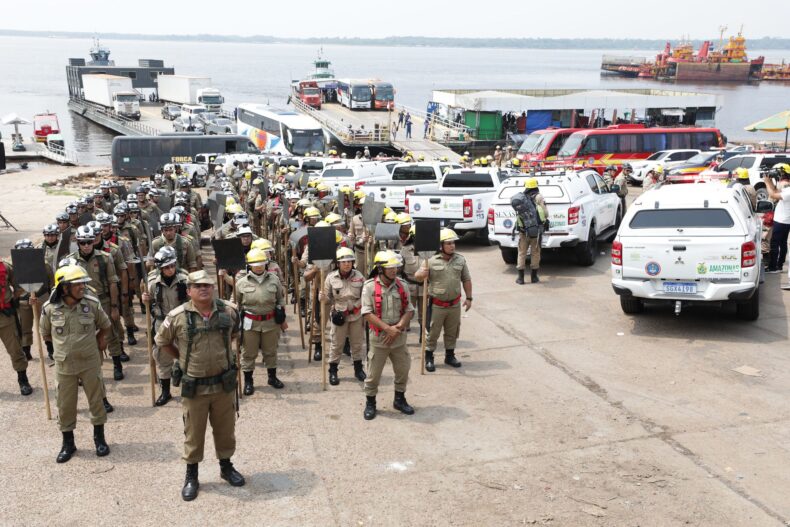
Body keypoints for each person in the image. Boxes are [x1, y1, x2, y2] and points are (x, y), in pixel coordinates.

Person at [154, 270, 245, 501]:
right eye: (198, 286)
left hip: (223, 384)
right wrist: (181, 359)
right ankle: (192, 475)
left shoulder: (228, 311)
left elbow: (234, 335)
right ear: (189, 291)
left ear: (213, 288)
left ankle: (226, 467)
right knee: (193, 433)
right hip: (194, 387)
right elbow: (162, 341)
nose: (203, 289)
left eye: (207, 285)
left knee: (225, 430)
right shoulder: (177, 316)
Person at [40, 264, 112, 463]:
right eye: (78, 283)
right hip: (64, 366)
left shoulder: (91, 303)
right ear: (64, 287)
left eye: (83, 283)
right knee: (65, 405)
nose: (83, 287)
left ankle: (99, 439)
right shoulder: (49, 309)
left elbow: (106, 325)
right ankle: (68, 444)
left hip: (90, 363)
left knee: (96, 401)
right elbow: (45, 333)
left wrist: (102, 339)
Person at [361, 251, 415, 420]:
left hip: (399, 338)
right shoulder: (369, 286)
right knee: (373, 374)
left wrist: (398, 327)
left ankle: (399, 399)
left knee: (403, 370)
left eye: (395, 267)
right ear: (380, 268)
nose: (394, 270)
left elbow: (409, 310)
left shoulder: (402, 285)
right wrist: (387, 329)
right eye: (389, 267)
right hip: (379, 340)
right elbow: (367, 313)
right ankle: (370, 403)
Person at [68, 225, 125, 380]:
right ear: (77, 242)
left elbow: (113, 283)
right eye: (82, 242)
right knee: (84, 335)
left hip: (103, 301)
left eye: (89, 241)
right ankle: (90, 371)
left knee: (111, 333)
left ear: (94, 241)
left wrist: (114, 307)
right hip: (81, 303)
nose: (86, 245)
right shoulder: (71, 261)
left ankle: (117, 364)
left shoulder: (105, 258)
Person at [415, 228, 472, 371]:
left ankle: (450, 355)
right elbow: (417, 277)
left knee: (452, 331)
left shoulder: (460, 259)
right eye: (448, 243)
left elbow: (466, 279)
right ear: (441, 246)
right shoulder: (431, 262)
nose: (452, 246)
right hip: (437, 306)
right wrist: (422, 274)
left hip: (454, 305)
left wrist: (469, 297)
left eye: (453, 243)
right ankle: (429, 357)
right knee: (433, 332)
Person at [236, 248, 287, 394]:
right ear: (249, 265)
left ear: (266, 263)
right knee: (248, 353)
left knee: (270, 351)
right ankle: (248, 381)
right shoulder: (241, 283)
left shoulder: (274, 279)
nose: (258, 266)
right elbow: (236, 303)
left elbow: (280, 299)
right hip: (250, 323)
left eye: (261, 263)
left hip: (270, 322)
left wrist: (281, 315)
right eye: (255, 263)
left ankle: (272, 377)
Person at [142, 247, 189, 406]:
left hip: (182, 320)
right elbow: (149, 303)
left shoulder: (185, 280)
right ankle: (165, 391)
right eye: (166, 267)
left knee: (186, 353)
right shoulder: (153, 283)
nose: (170, 269)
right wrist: (145, 299)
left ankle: (187, 387)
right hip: (163, 322)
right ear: (160, 268)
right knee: (162, 356)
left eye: (172, 265)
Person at [321, 247, 366, 386]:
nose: (347, 264)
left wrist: (356, 305)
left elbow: (366, 295)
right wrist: (322, 298)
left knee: (357, 343)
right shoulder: (330, 277)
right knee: (336, 344)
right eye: (344, 261)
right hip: (339, 315)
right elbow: (327, 299)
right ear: (338, 263)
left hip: (356, 315)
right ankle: (333, 371)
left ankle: (358, 369)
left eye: (349, 261)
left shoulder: (359, 276)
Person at [0, 257, 33, 396]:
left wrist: (12, 299)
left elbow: (19, 285)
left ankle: (23, 380)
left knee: (15, 349)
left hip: (5, 316)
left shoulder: (5, 267)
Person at [513, 178, 547, 285]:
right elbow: (545, 213)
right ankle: (534, 277)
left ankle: (520, 278)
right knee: (535, 252)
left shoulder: (521, 198)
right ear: (535, 186)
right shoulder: (539, 197)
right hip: (536, 231)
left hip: (523, 230)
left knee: (522, 252)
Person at [763, 171, 790, 274]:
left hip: (782, 221)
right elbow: (775, 190)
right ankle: (779, 265)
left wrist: (766, 182)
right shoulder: (787, 190)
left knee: (775, 244)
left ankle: (774, 267)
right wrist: (769, 180)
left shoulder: (788, 192)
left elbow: (773, 194)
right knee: (782, 244)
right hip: (784, 221)